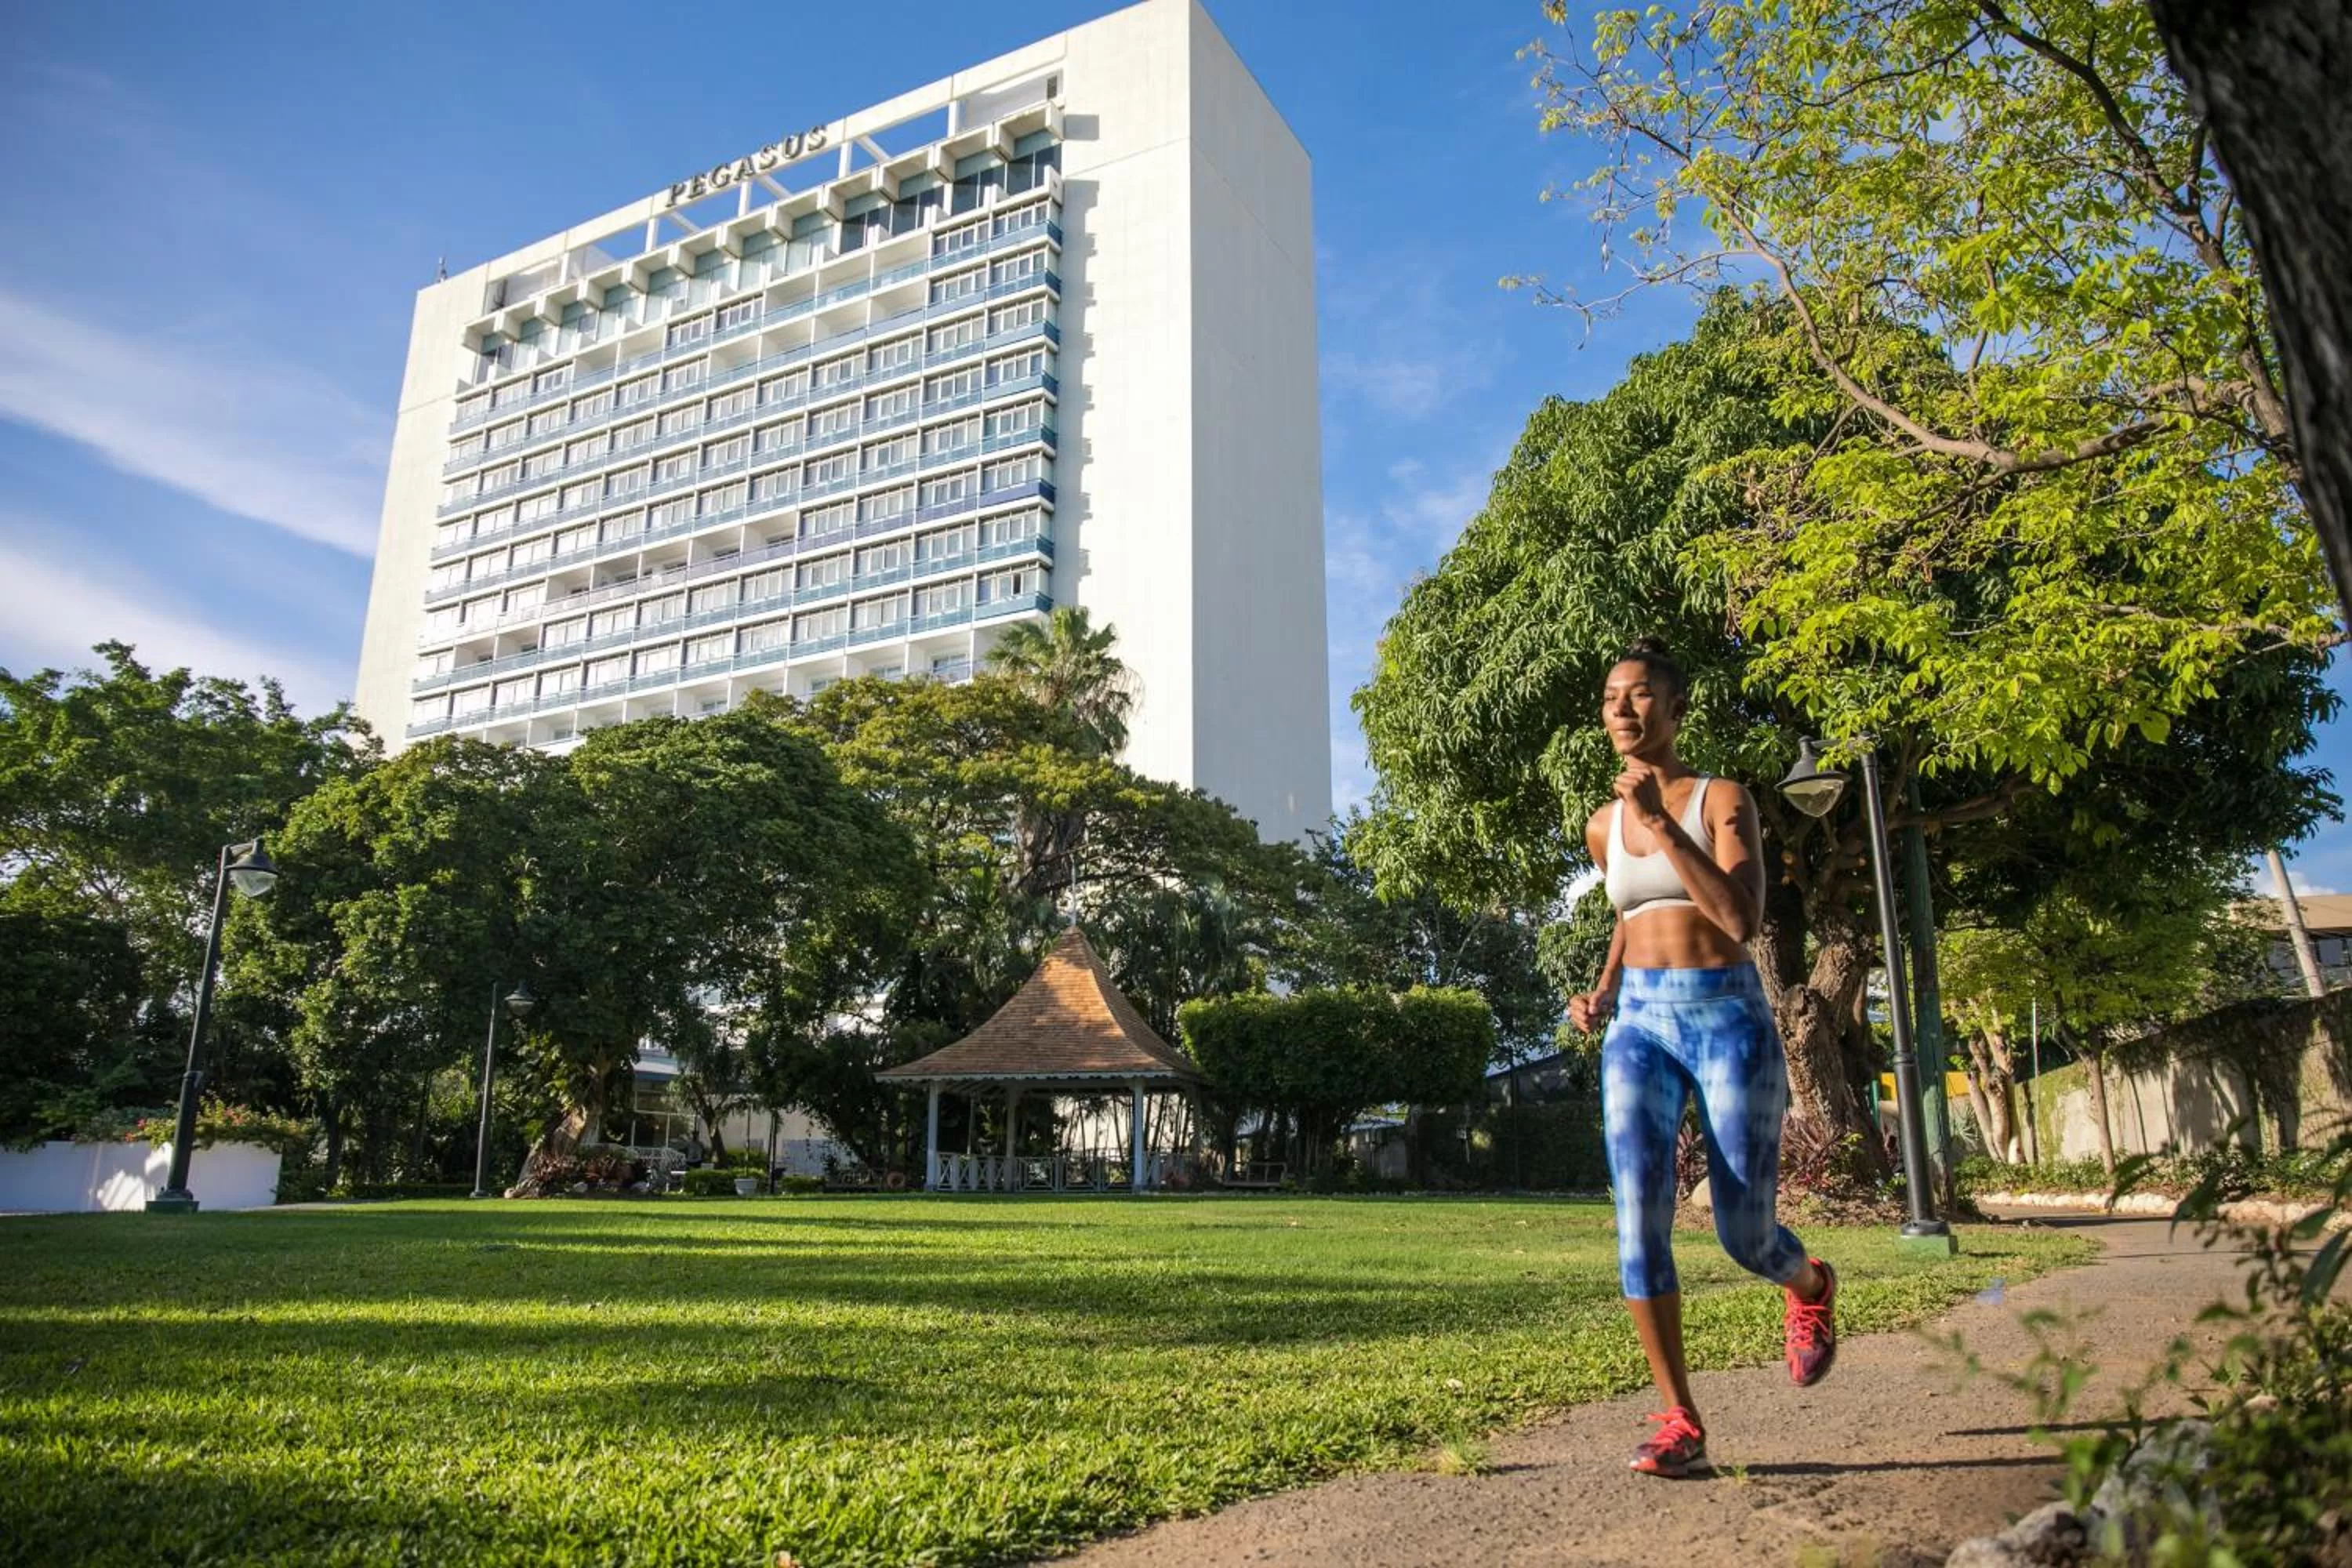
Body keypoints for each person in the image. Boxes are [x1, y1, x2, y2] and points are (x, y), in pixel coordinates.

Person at [1567, 637, 1838, 1478]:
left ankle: (1810, 1285)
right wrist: (1604, 988)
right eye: (1612, 696)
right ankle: (1679, 1414)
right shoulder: (1600, 824)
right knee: (1637, 1217)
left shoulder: (1724, 798)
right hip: (1639, 1026)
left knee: (1742, 1233)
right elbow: (1630, 910)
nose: (1621, 708)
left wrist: (1657, 821)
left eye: (1640, 694)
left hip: (1726, 1015)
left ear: (1676, 709)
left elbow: (1739, 918)